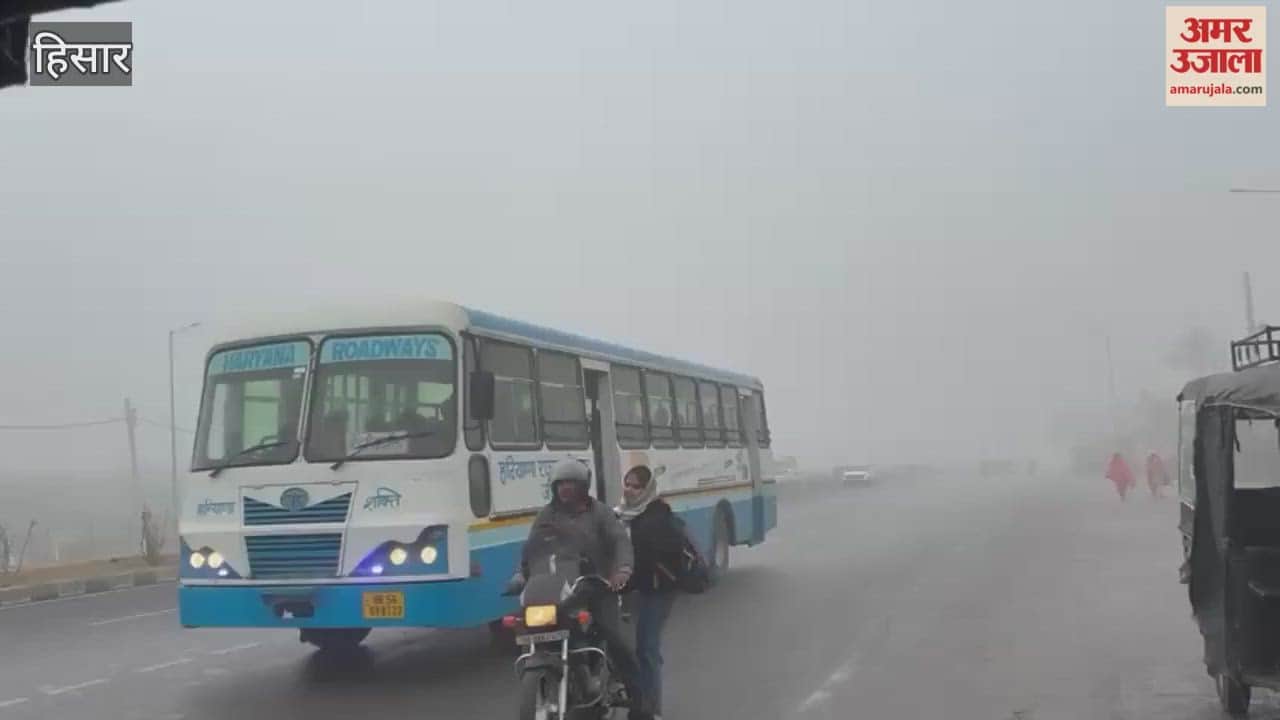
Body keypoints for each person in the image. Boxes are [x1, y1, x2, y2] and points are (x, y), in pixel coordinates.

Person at [509, 459, 652, 720]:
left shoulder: (600, 513)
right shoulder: (546, 515)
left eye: (570, 484)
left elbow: (619, 541)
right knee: (530, 630)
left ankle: (639, 700)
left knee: (615, 638)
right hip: (560, 591)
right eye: (560, 484)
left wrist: (622, 570)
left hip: (596, 586)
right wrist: (520, 574)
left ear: (583, 487)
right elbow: (532, 549)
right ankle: (556, 680)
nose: (564, 489)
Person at [617, 466, 686, 720]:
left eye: (636, 486)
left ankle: (651, 710)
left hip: (658, 589)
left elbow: (646, 561)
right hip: (642, 586)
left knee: (647, 649)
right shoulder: (624, 513)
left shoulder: (655, 516)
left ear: (646, 489)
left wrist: (623, 582)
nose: (630, 490)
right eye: (627, 484)